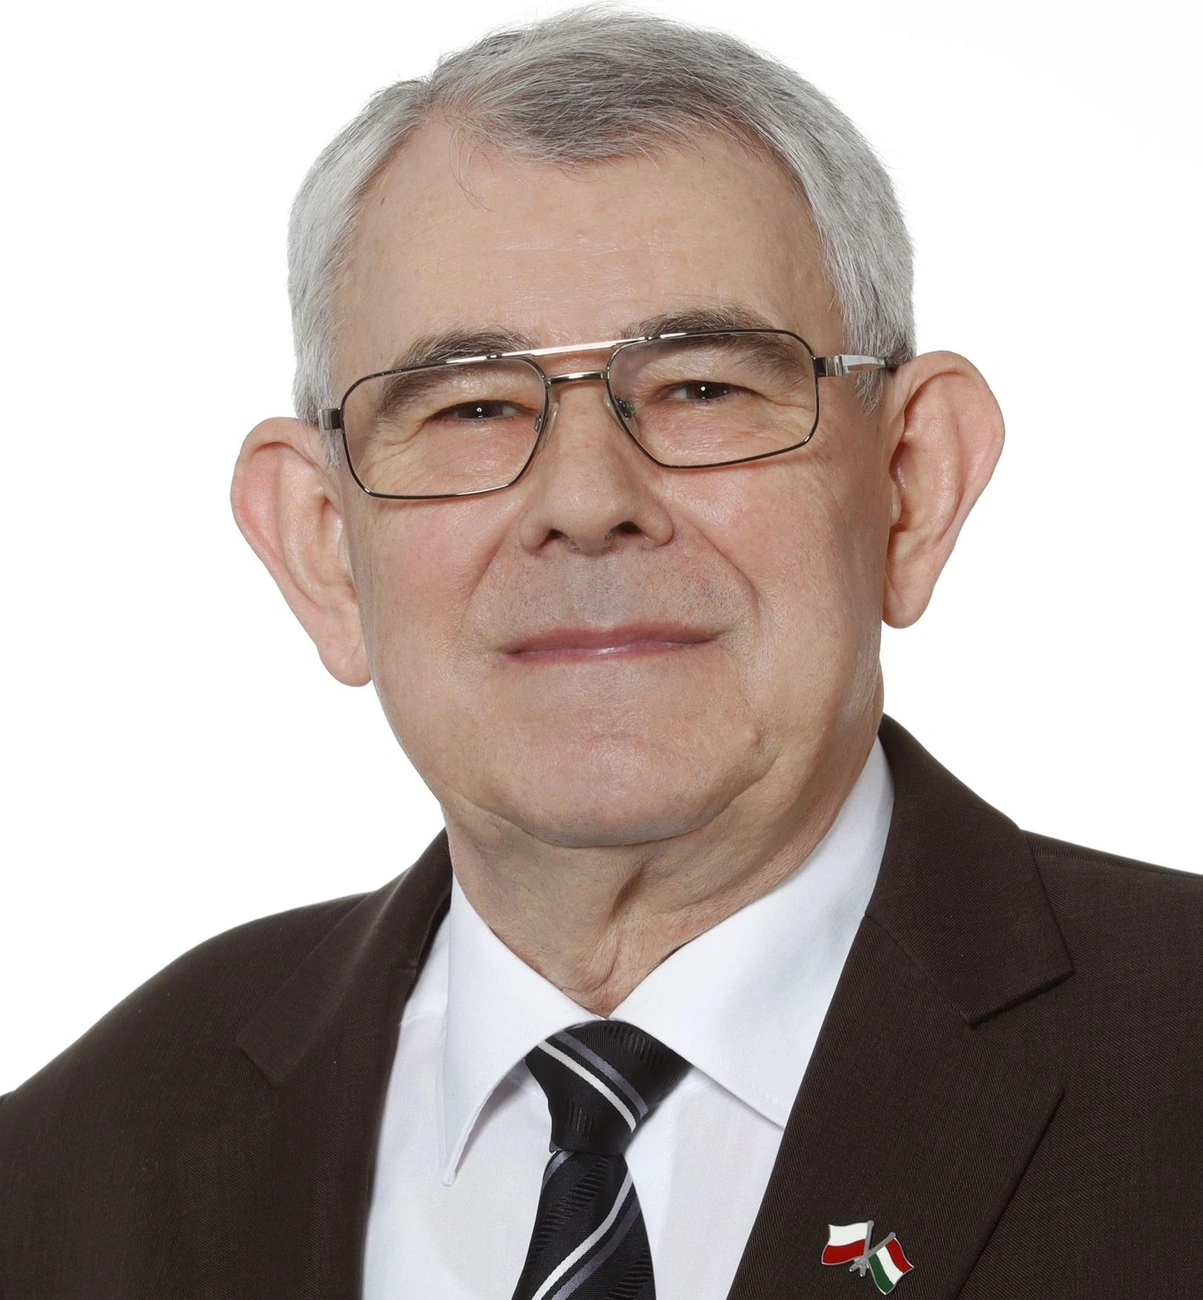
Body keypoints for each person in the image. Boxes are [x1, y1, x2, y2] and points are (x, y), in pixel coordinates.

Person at [1, 8, 1199, 1298]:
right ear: (322, 548)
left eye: (702, 388)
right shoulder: (68, 1174)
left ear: (912, 482)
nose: (585, 499)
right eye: (470, 407)